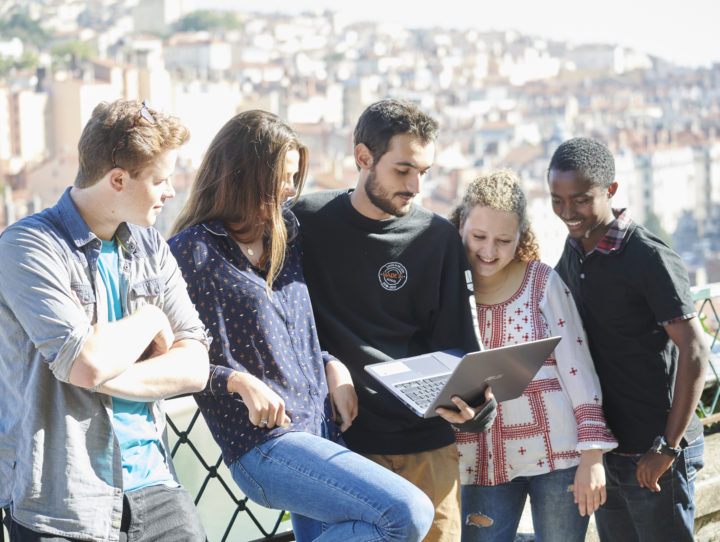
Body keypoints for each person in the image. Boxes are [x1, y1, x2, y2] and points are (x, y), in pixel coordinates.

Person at [168, 110, 435, 542]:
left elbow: (289, 329)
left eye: (296, 177)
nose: (292, 190)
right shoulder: (191, 252)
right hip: (263, 444)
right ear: (244, 174)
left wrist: (331, 363)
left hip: (319, 429)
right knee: (406, 514)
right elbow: (166, 361)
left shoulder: (284, 234)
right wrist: (237, 382)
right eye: (282, 177)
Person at [0, 99, 210, 541]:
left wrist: (92, 369)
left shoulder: (151, 247)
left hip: (156, 485)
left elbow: (195, 365)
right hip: (62, 502)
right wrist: (151, 317)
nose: (171, 191)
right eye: (160, 180)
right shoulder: (27, 246)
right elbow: (86, 361)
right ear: (118, 179)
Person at [292, 98, 497, 542]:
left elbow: (459, 344)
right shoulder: (305, 223)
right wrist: (327, 360)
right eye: (403, 170)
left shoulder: (438, 237)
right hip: (342, 451)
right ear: (363, 158)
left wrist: (477, 407)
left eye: (423, 172)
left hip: (428, 448)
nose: (416, 186)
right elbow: (279, 321)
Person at [548, 137, 709, 542]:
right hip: (609, 451)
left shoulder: (648, 257)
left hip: (656, 452)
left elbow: (694, 348)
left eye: (581, 199)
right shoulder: (573, 253)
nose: (568, 212)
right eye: (557, 200)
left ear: (611, 191)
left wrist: (667, 448)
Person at [448, 171, 617, 542]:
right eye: (478, 237)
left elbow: (578, 367)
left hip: (560, 460)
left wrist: (592, 456)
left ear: (521, 237)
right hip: (478, 465)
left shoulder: (543, 282)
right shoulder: (444, 287)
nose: (489, 251)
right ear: (460, 225)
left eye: (503, 240)